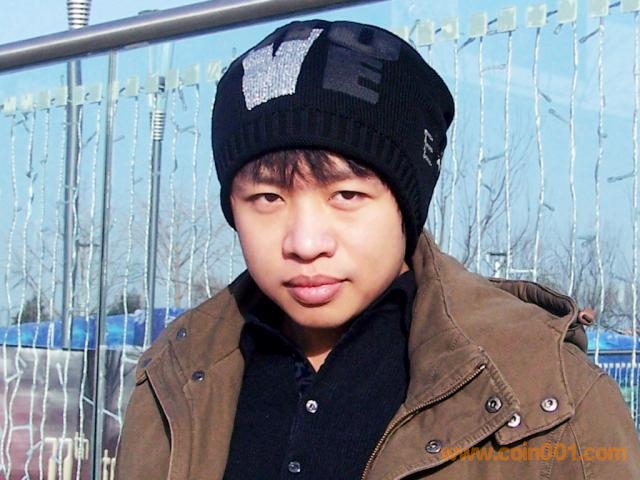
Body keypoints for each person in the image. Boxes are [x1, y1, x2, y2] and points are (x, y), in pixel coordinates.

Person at [115, 19, 640, 479]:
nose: (305, 243)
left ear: (407, 206)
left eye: (346, 196)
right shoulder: (173, 378)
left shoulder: (550, 397)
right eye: (268, 198)